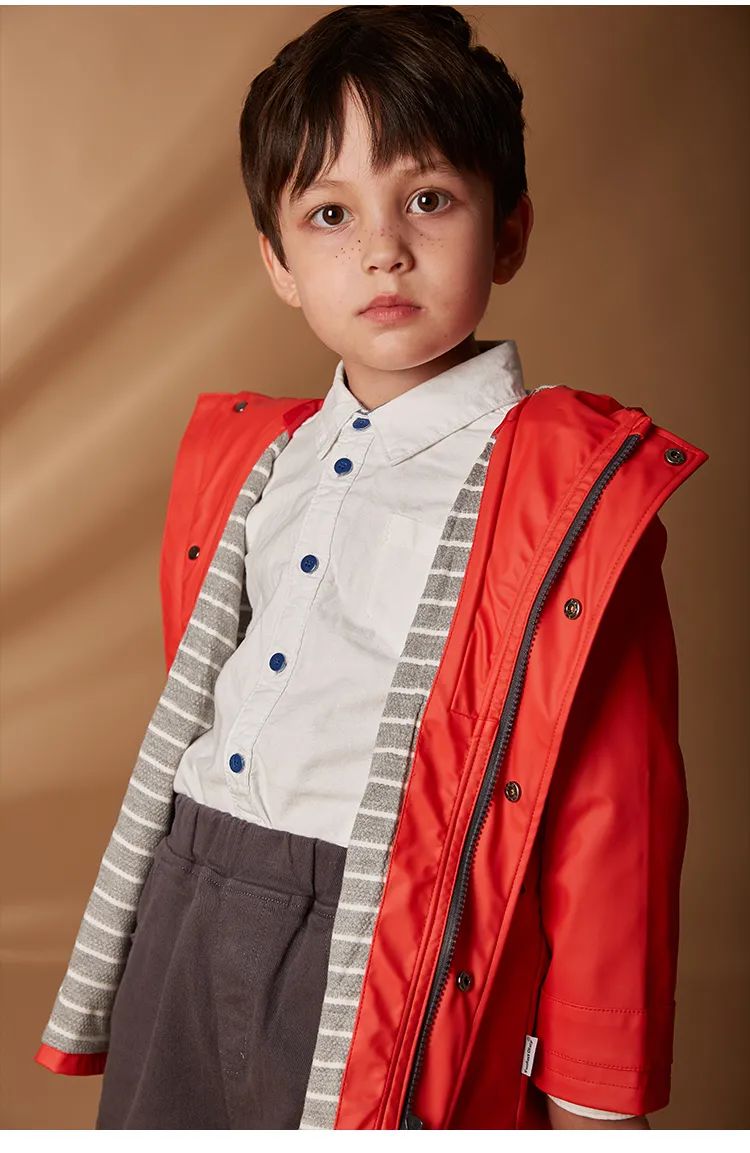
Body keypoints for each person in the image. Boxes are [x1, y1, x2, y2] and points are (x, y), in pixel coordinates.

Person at [34, 5, 708, 1130]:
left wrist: (595, 1099)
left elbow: (615, 811)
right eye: (331, 213)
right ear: (279, 262)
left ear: (510, 232)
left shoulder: (572, 500)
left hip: (379, 930)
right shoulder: (256, 462)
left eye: (428, 199)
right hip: (188, 893)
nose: (382, 248)